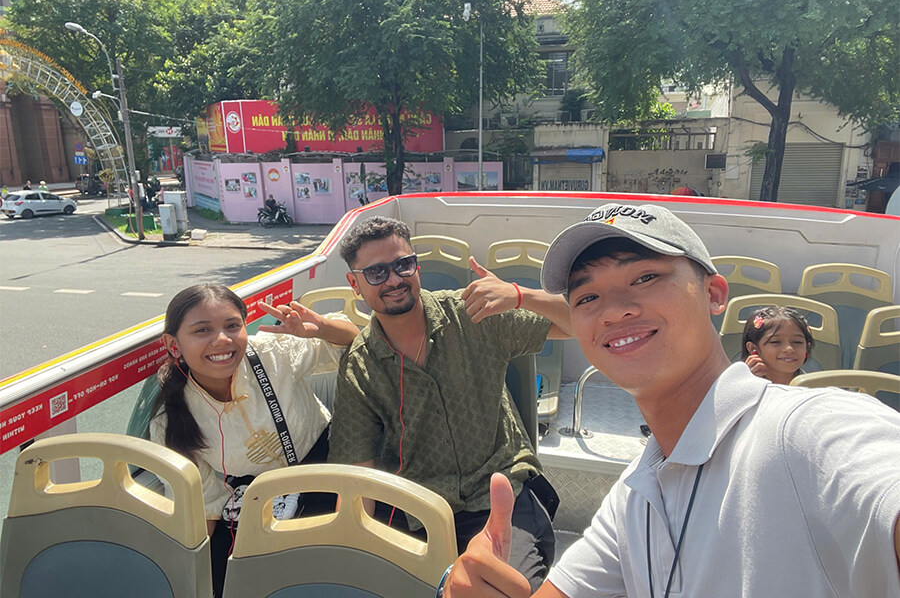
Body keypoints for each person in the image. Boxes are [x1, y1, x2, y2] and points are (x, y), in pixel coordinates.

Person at [443, 203, 900, 597]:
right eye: (587, 297)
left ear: (714, 294)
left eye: (645, 277)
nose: (613, 309)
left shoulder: (812, 432)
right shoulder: (633, 499)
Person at [327, 216, 574, 591]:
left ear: (416, 266)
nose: (394, 280)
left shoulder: (473, 315)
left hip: (500, 499)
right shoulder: (360, 366)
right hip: (419, 515)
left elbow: (583, 323)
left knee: (499, 591)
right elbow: (360, 477)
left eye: (403, 265)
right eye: (376, 272)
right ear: (354, 283)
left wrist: (521, 296)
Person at [149, 283, 359, 597]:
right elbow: (204, 506)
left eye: (232, 326)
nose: (222, 339)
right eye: (203, 330)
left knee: (331, 571)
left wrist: (320, 327)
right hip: (255, 495)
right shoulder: (171, 420)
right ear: (172, 343)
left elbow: (354, 340)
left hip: (324, 466)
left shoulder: (270, 353)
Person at [741, 306, 814, 384]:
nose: (789, 349)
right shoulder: (740, 386)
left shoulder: (815, 387)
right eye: (775, 342)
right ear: (753, 348)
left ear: (807, 347)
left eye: (797, 342)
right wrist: (747, 384)